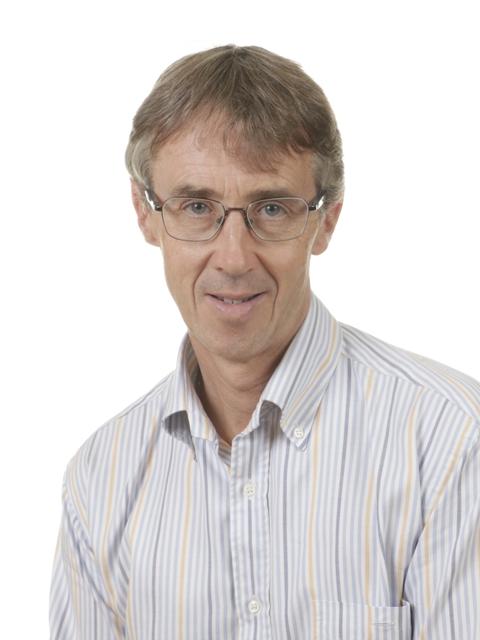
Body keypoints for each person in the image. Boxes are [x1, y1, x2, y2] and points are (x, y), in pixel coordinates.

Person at [49, 45, 480, 640]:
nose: (233, 257)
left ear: (326, 220)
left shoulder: (451, 441)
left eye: (271, 208)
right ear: (145, 213)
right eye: (197, 206)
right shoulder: (100, 480)